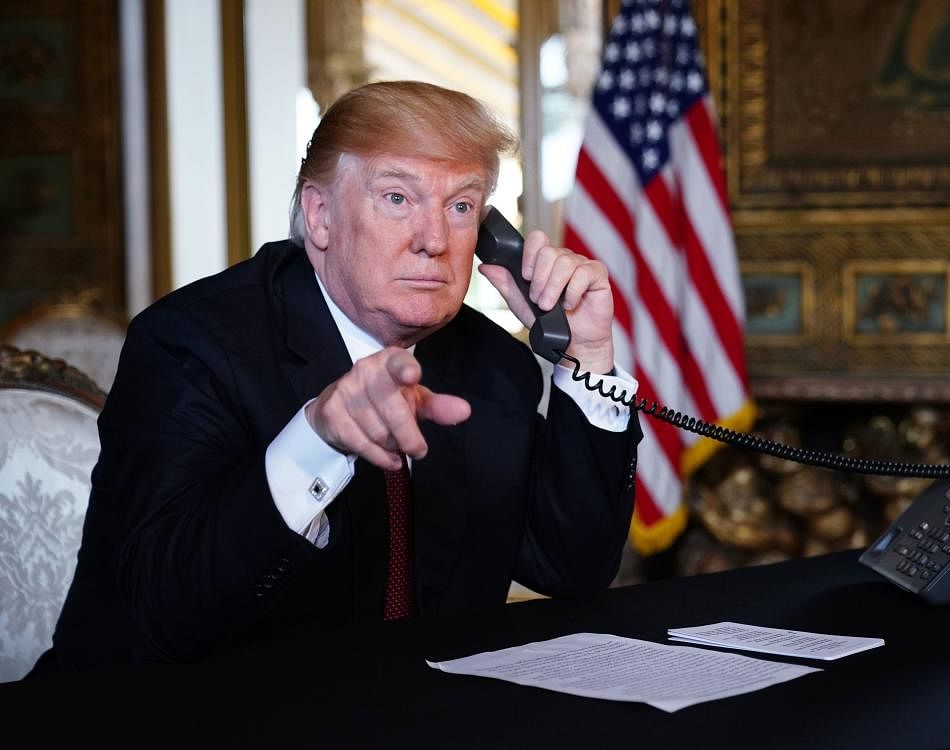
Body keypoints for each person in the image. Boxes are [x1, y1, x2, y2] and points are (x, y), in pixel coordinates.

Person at [35, 81, 641, 674]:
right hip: (165, 730)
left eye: (461, 206)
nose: (433, 240)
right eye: (398, 198)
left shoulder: (492, 363)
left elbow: (572, 569)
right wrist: (314, 444)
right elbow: (163, 617)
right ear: (319, 216)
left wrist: (586, 356)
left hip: (405, 730)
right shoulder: (190, 346)